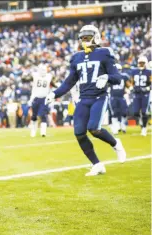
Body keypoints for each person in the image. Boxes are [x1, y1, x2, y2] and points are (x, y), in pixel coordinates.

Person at [45, 25, 126, 176]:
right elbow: (69, 81)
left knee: (94, 128)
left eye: (87, 37)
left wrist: (107, 77)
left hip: (99, 97)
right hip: (83, 99)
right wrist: (54, 93)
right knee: (79, 132)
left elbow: (117, 77)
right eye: (82, 38)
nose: (85, 40)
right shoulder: (77, 57)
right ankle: (97, 164)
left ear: (95, 37)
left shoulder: (104, 53)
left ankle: (116, 144)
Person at [29, 64, 56, 137]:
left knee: (43, 115)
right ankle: (33, 131)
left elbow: (53, 84)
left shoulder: (49, 76)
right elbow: (27, 79)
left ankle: (43, 132)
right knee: (34, 116)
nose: (43, 72)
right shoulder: (35, 75)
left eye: (44, 70)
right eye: (42, 70)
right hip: (36, 97)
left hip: (44, 98)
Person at [130, 56, 152, 136]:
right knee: (135, 112)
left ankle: (144, 128)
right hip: (136, 93)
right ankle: (141, 123)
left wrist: (147, 88)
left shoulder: (149, 71)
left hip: (145, 94)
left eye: (143, 63)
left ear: (145, 63)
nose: (141, 64)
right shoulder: (134, 71)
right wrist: (131, 87)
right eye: (140, 63)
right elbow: (132, 81)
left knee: (144, 111)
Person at [109, 64, 130, 134]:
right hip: (113, 97)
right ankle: (116, 127)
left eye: (119, 70)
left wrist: (129, 89)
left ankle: (123, 125)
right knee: (115, 113)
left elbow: (128, 85)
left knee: (124, 112)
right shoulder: (111, 77)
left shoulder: (124, 77)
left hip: (121, 96)